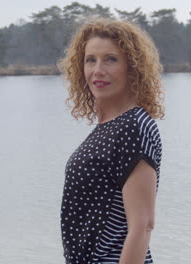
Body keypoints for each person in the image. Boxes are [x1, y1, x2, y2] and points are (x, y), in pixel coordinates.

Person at [58, 18, 165, 264]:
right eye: (90, 60)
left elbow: (143, 225)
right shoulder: (106, 129)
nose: (98, 70)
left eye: (111, 59)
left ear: (132, 67)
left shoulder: (134, 126)